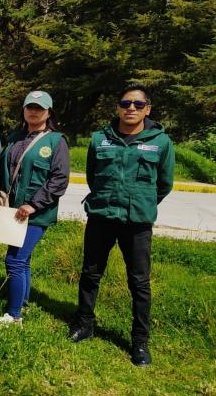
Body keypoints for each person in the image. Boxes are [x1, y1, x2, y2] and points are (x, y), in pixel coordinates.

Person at [68, 84, 174, 367]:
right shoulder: (100, 139)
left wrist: (140, 203)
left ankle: (140, 342)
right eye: (126, 103)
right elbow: (93, 176)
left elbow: (164, 184)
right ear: (117, 107)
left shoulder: (161, 142)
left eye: (138, 105)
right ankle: (84, 324)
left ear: (147, 109)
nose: (131, 109)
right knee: (91, 273)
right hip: (101, 217)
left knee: (139, 283)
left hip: (137, 222)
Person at [0, 91, 70, 325]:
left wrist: (34, 204)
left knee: (15, 261)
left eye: (39, 108)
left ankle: (14, 315)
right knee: (24, 260)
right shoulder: (15, 137)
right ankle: (23, 301)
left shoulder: (56, 141)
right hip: (13, 211)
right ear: (23, 110)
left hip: (36, 214)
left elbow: (59, 179)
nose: (34, 111)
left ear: (48, 112)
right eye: (30, 107)